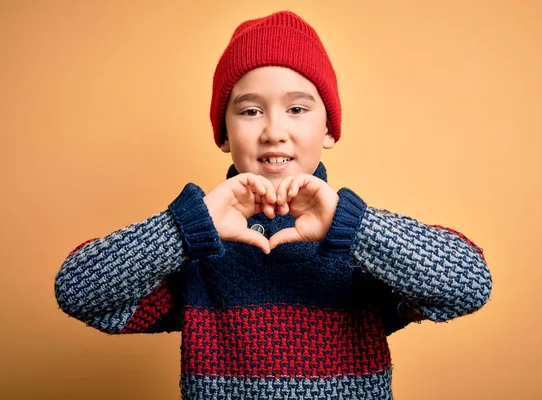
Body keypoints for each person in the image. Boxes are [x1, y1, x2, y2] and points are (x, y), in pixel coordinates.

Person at [55, 10, 492, 400]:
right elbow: (78, 293)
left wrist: (352, 228)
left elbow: (470, 285)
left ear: (329, 130)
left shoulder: (362, 244)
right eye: (249, 112)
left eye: (298, 108)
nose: (274, 131)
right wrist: (187, 228)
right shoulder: (194, 248)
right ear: (223, 135)